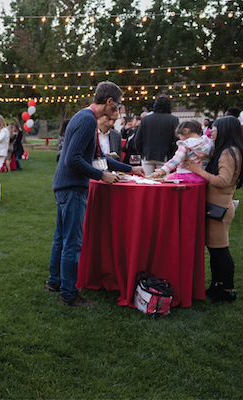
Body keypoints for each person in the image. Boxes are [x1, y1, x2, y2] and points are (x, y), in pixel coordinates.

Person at [47, 81, 144, 307]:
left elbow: (97, 158)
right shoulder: (87, 120)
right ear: (109, 102)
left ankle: (54, 282)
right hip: (72, 187)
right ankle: (69, 294)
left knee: (61, 238)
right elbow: (74, 159)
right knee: (72, 242)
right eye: (117, 105)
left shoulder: (85, 118)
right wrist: (102, 176)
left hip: (65, 185)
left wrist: (130, 169)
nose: (118, 110)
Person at [185, 116, 243, 303]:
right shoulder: (228, 150)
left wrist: (198, 171)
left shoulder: (229, 152)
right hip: (215, 207)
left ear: (224, 130)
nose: (212, 131)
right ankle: (216, 286)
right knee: (214, 250)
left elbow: (223, 181)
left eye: (215, 128)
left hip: (220, 208)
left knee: (221, 251)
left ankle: (228, 290)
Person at [147, 120, 213, 183]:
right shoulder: (208, 142)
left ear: (186, 130)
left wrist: (163, 170)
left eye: (180, 137)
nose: (181, 139)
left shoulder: (185, 144)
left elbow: (176, 159)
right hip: (201, 175)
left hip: (184, 174)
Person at [134, 96, 179, 175]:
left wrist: (141, 153)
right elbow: (176, 139)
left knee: (146, 181)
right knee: (162, 182)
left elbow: (138, 139)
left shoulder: (145, 119)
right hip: (164, 155)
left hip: (147, 154)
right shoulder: (173, 119)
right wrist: (171, 155)